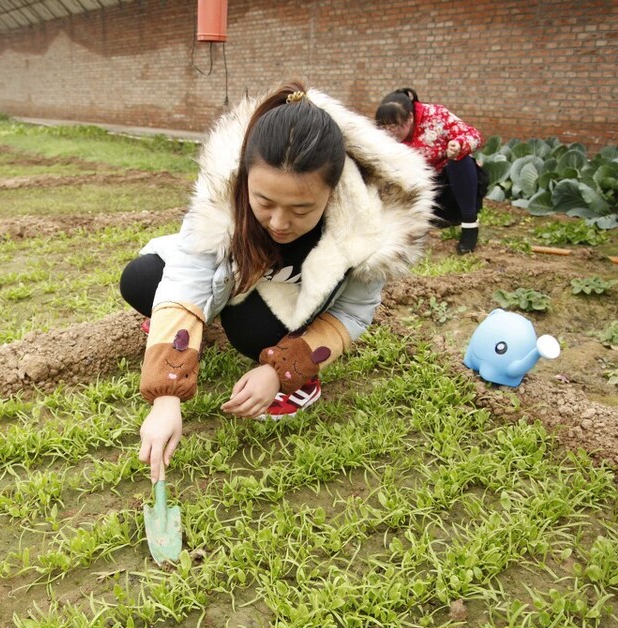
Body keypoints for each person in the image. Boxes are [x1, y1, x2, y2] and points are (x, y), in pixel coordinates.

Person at [120, 79, 434, 481]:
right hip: (238, 282)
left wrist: (280, 370)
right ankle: (189, 329)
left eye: (301, 210)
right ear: (244, 179)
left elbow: (353, 314)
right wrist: (166, 393)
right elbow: (187, 277)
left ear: (333, 192)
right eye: (264, 202)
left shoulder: (370, 229)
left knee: (251, 330)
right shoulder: (221, 197)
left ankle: (299, 380)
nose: (279, 223)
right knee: (141, 279)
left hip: (286, 303)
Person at [375, 88, 486, 254]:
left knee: (460, 157)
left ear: (410, 118)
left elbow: (474, 135)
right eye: (384, 127)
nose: (390, 133)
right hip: (419, 190)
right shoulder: (383, 135)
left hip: (450, 186)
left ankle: (469, 225)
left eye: (395, 126)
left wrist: (458, 145)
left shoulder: (436, 116)